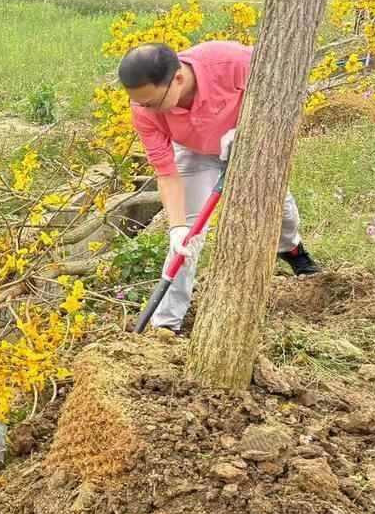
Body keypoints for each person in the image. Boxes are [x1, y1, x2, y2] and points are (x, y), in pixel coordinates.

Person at [117, 41, 320, 333]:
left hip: (249, 143)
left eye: (150, 102)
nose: (144, 109)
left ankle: (292, 249)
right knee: (186, 242)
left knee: (281, 210)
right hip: (194, 151)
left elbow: (283, 95)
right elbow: (166, 172)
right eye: (139, 102)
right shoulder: (144, 110)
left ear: (178, 79)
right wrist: (176, 228)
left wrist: (250, 133)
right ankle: (166, 324)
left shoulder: (232, 62)